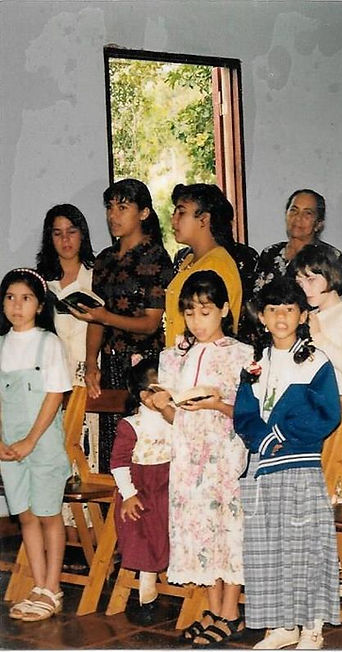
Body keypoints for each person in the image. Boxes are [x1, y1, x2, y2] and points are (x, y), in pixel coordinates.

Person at [234, 277, 342, 650]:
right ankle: (282, 625)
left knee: (305, 545)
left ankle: (312, 625)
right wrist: (260, 438)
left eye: (289, 309)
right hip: (262, 469)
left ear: (302, 315)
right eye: (273, 309)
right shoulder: (255, 364)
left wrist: (279, 435)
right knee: (268, 547)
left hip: (298, 466)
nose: (281, 317)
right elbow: (244, 412)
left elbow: (327, 413)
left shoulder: (314, 361)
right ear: (261, 317)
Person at [151, 271, 253, 646]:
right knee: (199, 530)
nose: (197, 321)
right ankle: (213, 609)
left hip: (222, 453)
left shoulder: (240, 354)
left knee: (227, 529)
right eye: (190, 313)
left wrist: (217, 404)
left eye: (206, 312)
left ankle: (231, 611)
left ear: (224, 309)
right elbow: (177, 413)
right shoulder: (177, 356)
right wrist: (161, 403)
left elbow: (245, 410)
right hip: (188, 455)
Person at [81, 179, 173, 473]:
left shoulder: (156, 257)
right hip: (110, 362)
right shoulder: (105, 259)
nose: (113, 215)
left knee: (144, 444)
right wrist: (91, 361)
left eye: (123, 207)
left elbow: (149, 324)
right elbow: (95, 315)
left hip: (144, 365)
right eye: (110, 208)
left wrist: (104, 317)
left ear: (144, 213)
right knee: (113, 447)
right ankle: (113, 514)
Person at [0, 268, 72, 622]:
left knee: (47, 513)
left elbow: (54, 395)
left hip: (41, 443)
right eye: (10, 297)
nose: (17, 305)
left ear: (40, 305)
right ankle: (37, 585)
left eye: (26, 298)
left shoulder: (49, 344)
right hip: (9, 447)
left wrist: (30, 440)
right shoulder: (1, 345)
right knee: (26, 515)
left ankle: (52, 586)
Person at [291, 245, 342, 495]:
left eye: (311, 279)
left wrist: (318, 337)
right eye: (299, 281)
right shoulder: (311, 317)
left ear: (331, 276)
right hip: (318, 418)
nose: (304, 287)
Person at [35, 204, 100, 473]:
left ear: (82, 234)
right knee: (52, 452)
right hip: (50, 379)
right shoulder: (40, 282)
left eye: (71, 232)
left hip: (88, 372)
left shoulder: (96, 274)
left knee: (85, 450)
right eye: (57, 233)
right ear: (49, 239)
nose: (65, 240)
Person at [109, 356, 172, 625]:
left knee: (168, 529)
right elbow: (119, 462)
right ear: (146, 396)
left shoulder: (175, 419)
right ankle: (148, 592)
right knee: (142, 531)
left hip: (169, 484)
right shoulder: (131, 425)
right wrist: (129, 494)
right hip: (142, 488)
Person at [164, 183, 243, 348]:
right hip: (181, 360)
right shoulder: (189, 260)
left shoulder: (216, 264)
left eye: (181, 212)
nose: (174, 220)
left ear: (204, 219)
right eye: (174, 213)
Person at [253, 189, 342, 295]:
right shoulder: (270, 253)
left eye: (307, 213)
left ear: (318, 224)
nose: (298, 218)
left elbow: (334, 302)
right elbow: (255, 298)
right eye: (293, 210)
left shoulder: (329, 256)